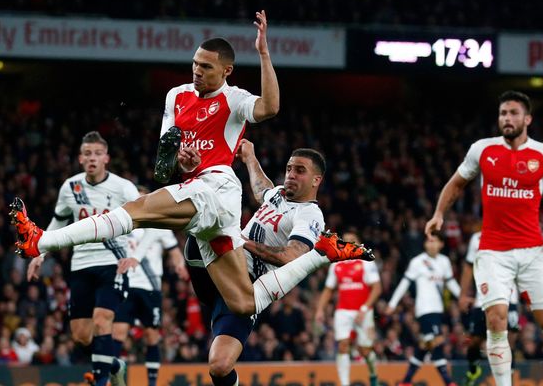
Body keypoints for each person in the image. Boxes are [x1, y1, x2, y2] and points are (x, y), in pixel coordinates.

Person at [11, 10, 371, 323]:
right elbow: (164, 164)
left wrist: (263, 53)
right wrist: (180, 160)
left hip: (216, 186)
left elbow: (271, 108)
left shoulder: (234, 100)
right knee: (244, 303)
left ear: (227, 70)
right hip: (206, 205)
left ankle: (43, 241)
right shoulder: (176, 96)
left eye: (206, 67)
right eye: (195, 63)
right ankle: (322, 255)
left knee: (136, 209)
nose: (197, 71)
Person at [425, 90, 543, 386]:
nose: (507, 118)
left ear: (527, 119)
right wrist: (439, 213)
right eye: (503, 113)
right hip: (493, 251)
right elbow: (456, 184)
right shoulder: (483, 150)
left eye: (513, 113)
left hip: (533, 251)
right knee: (496, 320)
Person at [186, 140, 327, 386]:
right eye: (289, 168)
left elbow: (291, 256)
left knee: (219, 367)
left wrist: (240, 241)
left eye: (300, 171)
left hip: (244, 287)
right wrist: (250, 158)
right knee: (198, 218)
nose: (291, 175)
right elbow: (263, 190)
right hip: (218, 270)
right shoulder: (280, 195)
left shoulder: (310, 215)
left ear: (317, 180)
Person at [25, 131, 138, 386]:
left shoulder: (123, 187)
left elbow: (145, 220)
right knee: (81, 336)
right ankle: (114, 365)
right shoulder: (71, 187)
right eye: (87, 154)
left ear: (106, 158)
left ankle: (100, 381)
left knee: (102, 320)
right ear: (79, 158)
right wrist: (41, 252)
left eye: (97, 153)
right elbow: (59, 221)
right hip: (81, 265)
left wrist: (133, 254)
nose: (92, 159)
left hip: (114, 263)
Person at [114, 187, 189, 386]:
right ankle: (111, 377)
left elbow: (173, 250)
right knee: (118, 333)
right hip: (126, 285)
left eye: (141, 198)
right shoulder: (123, 225)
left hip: (150, 288)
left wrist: (180, 265)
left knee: (151, 335)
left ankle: (152, 383)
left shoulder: (159, 226)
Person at [386, 231, 460, 386]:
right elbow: (404, 283)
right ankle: (448, 382)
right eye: (428, 241)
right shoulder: (417, 262)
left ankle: (406, 381)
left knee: (426, 345)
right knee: (437, 340)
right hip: (424, 309)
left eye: (434, 241)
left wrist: (463, 297)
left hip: (438, 309)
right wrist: (392, 304)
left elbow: (451, 283)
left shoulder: (444, 262)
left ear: (441, 244)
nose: (430, 244)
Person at [315, 232, 381, 386]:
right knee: (343, 345)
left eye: (353, 241)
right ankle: (344, 384)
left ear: (359, 244)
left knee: (365, 350)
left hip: (363, 312)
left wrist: (364, 309)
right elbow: (328, 290)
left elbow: (377, 288)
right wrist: (319, 310)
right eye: (346, 241)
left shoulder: (366, 262)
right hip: (343, 311)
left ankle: (373, 374)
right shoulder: (336, 264)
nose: (350, 244)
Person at [459, 230, 520, 386]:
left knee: (509, 341)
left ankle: (508, 382)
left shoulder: (513, 232)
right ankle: (473, 370)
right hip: (483, 298)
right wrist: (463, 294)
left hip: (509, 296)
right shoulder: (477, 237)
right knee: (474, 341)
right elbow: (468, 267)